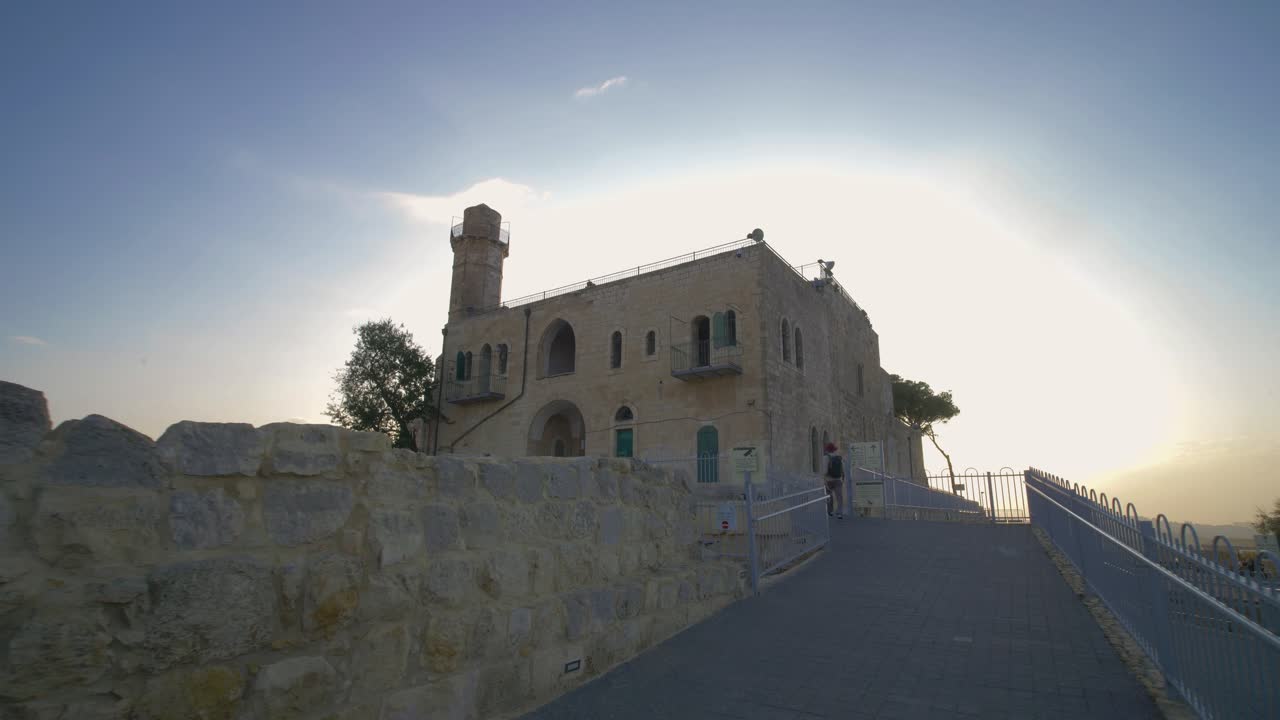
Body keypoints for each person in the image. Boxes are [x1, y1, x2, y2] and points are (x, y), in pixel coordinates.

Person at [823, 442, 845, 519]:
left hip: (829, 480)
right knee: (839, 497)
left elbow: (825, 471)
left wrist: (824, 479)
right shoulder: (839, 457)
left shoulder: (826, 457)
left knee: (829, 496)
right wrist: (842, 478)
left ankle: (830, 511)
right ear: (834, 450)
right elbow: (842, 470)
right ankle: (840, 513)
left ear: (827, 450)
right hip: (838, 480)